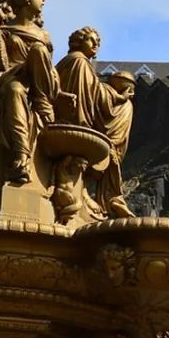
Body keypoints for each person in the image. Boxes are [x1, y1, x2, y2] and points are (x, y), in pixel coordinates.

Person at [0, 0, 71, 184]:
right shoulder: (4, 30)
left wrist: (60, 92)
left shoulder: (43, 35)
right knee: (15, 90)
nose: (42, 2)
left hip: (39, 82)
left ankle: (42, 100)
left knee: (38, 50)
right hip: (11, 77)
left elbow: (49, 67)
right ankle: (21, 155)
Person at [54, 27, 135, 218]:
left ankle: (102, 194)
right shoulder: (79, 62)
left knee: (126, 107)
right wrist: (120, 97)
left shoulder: (78, 63)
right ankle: (107, 196)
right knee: (126, 107)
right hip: (75, 120)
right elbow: (93, 92)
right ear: (78, 41)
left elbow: (94, 89)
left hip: (75, 119)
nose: (96, 45)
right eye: (91, 40)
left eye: (98, 42)